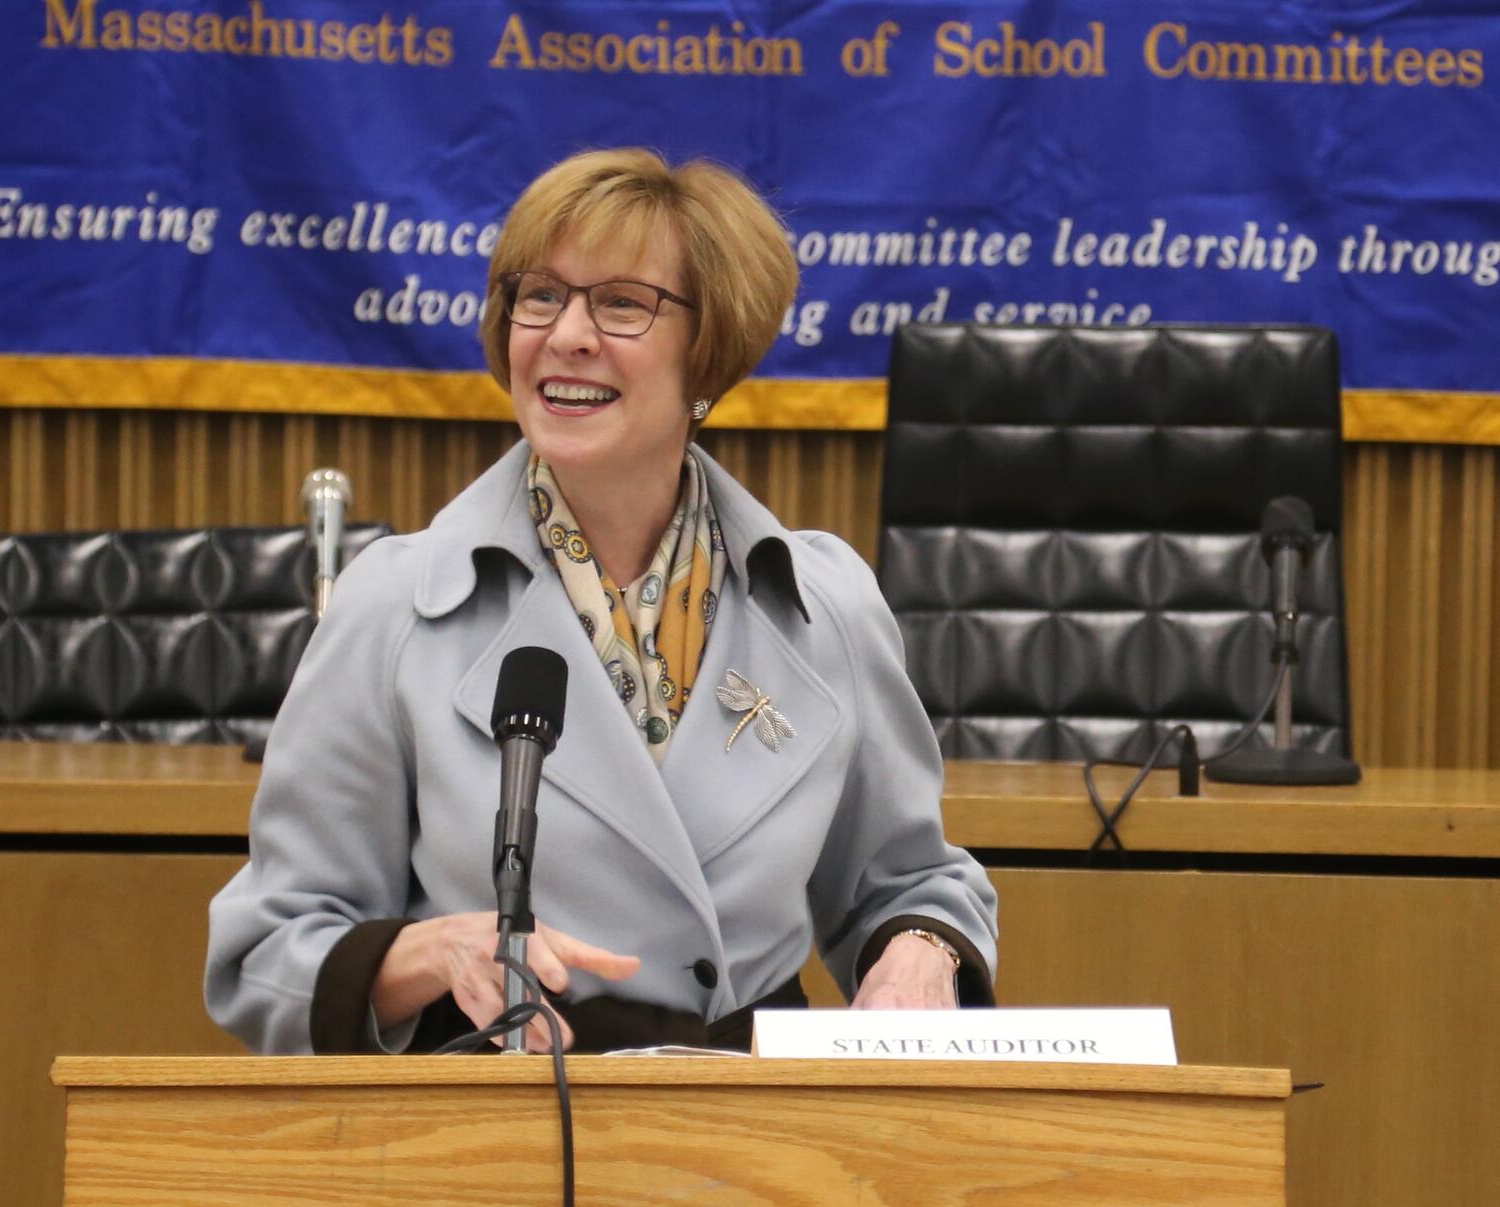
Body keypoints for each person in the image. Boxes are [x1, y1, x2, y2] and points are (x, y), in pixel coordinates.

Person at [206, 148, 997, 1055]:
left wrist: (919, 950)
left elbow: (906, 885)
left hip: (753, 1146)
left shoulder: (824, 605)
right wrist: (425, 954)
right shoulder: (393, 607)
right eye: (539, 296)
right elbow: (268, 945)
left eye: (621, 304)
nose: (566, 334)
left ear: (710, 349)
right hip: (488, 1141)